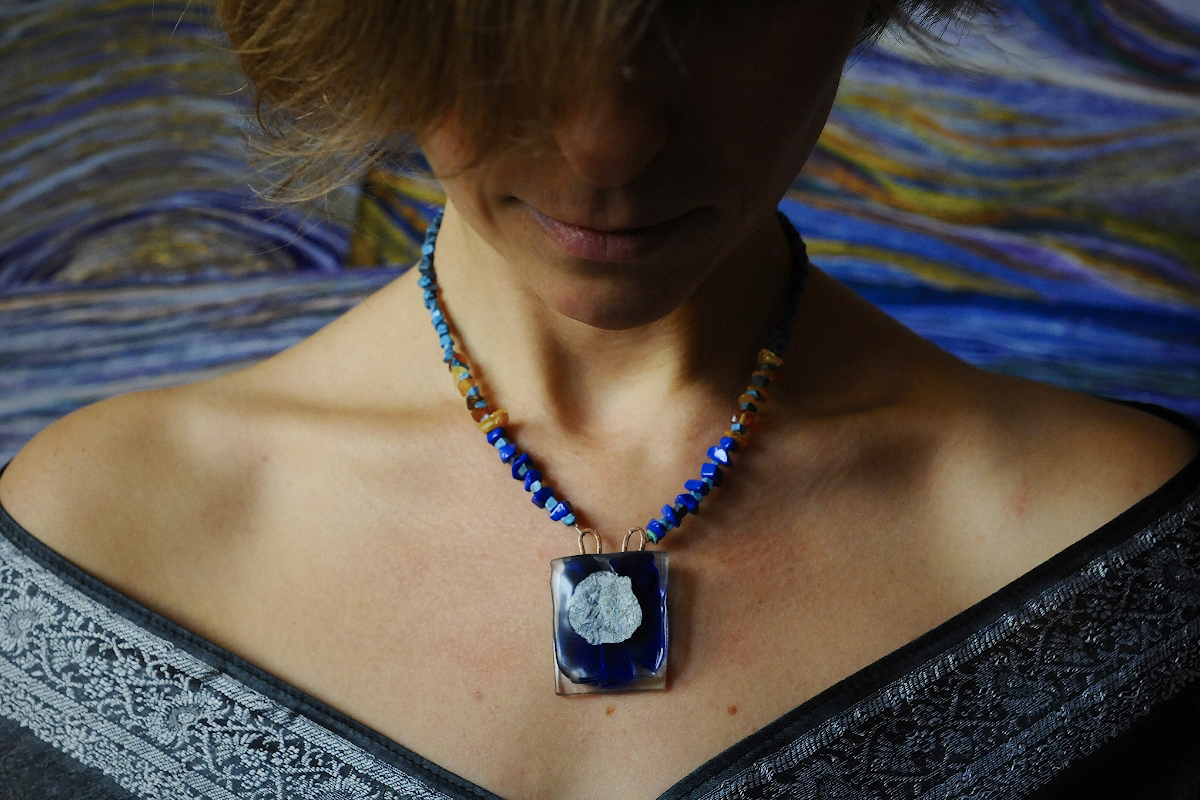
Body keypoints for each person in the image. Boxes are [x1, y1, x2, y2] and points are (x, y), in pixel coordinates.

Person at [1, 1, 1198, 797]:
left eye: (720, 5)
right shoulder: (93, 553)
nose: (608, 141)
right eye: (506, 16)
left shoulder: (1125, 563)